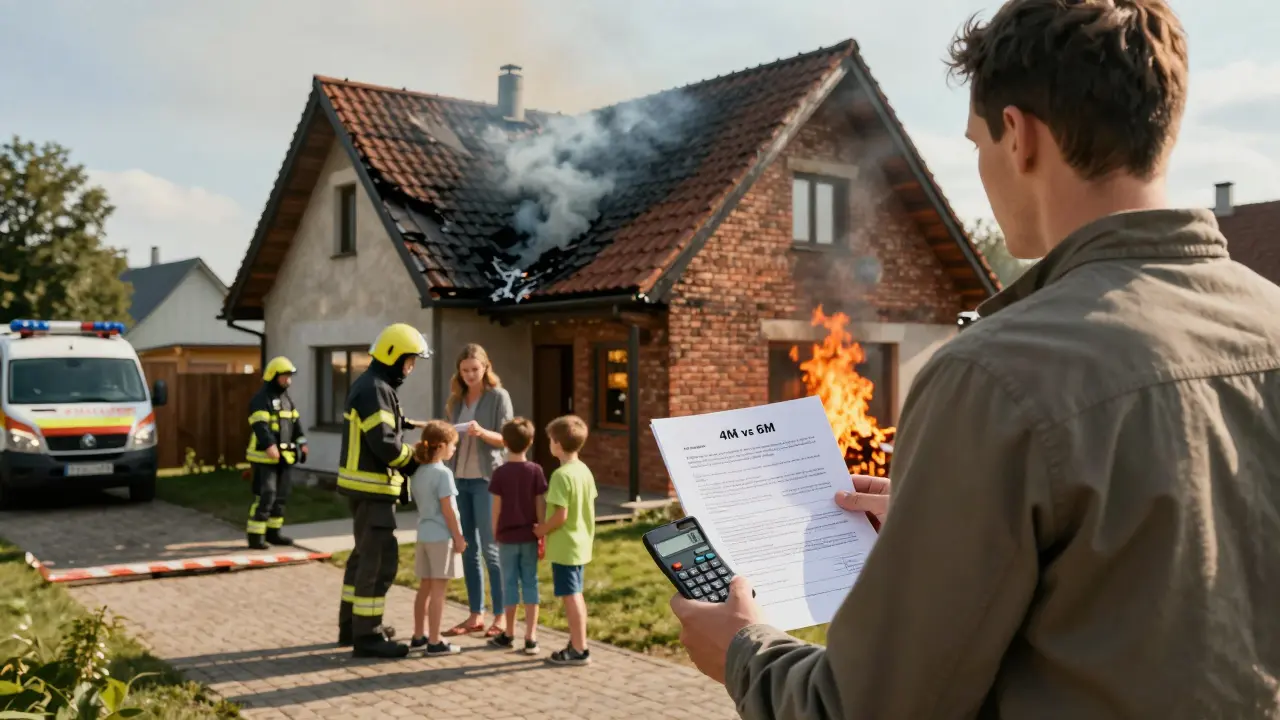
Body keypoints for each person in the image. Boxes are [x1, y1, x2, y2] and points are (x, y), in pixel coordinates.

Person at [670, 1, 1280, 717]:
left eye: (976, 144)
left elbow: (869, 707)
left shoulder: (994, 373)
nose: (983, 168)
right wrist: (963, 524)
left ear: (1018, 136)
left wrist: (745, 652)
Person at [336, 323, 430, 659]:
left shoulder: (374, 386)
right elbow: (385, 444)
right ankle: (368, 635)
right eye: (409, 360)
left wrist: (417, 426)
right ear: (393, 356)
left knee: (362, 558)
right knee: (377, 563)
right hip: (373, 490)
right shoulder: (376, 389)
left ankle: (351, 626)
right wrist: (419, 459)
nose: (411, 367)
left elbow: (389, 425)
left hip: (365, 491)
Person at [440, 344, 514, 640]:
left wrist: (482, 432)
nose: (470, 375)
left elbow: (508, 439)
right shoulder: (456, 400)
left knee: (491, 550)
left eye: (475, 369)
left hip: (486, 481)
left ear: (486, 367)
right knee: (467, 548)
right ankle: (475, 614)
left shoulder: (498, 397)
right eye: (465, 370)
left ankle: (501, 616)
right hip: (459, 480)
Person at [534, 414, 596, 667]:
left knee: (572, 596)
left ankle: (579, 648)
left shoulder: (561, 475)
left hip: (565, 546)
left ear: (557, 443)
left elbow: (560, 515)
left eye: (550, 439)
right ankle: (577, 642)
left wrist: (541, 530)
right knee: (575, 594)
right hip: (581, 543)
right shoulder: (584, 470)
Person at [487, 417, 548, 654]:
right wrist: (541, 529)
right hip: (530, 535)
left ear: (504, 442)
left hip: (507, 537)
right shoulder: (535, 470)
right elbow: (540, 502)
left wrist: (495, 531)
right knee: (530, 583)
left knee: (509, 584)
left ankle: (509, 633)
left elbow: (496, 508)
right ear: (530, 441)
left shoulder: (500, 473)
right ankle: (531, 636)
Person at [407, 421, 467, 657]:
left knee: (425, 588)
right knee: (439, 591)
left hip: (423, 534)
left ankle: (419, 635)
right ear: (441, 446)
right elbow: (449, 510)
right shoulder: (443, 473)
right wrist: (459, 537)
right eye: (452, 445)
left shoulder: (420, 471)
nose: (453, 450)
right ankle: (435, 641)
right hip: (441, 537)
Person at [244, 356, 307, 550]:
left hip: (284, 457)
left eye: (289, 376)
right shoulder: (260, 400)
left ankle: (273, 533)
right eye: (285, 376)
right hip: (264, 457)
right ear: (273, 376)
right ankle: (256, 536)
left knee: (281, 495)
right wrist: (270, 445)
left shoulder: (286, 400)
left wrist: (302, 443)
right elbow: (261, 426)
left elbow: (296, 425)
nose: (288, 380)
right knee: (266, 494)